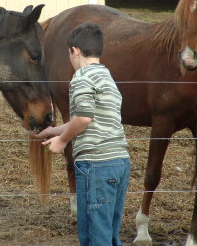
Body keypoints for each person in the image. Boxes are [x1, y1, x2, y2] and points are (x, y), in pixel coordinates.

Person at [32, 22, 130, 246]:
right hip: (119, 162)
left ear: (74, 51)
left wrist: (62, 140)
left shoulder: (82, 77)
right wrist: (51, 131)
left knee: (94, 237)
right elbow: (88, 118)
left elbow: (84, 118)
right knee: (110, 234)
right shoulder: (106, 77)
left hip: (96, 165)